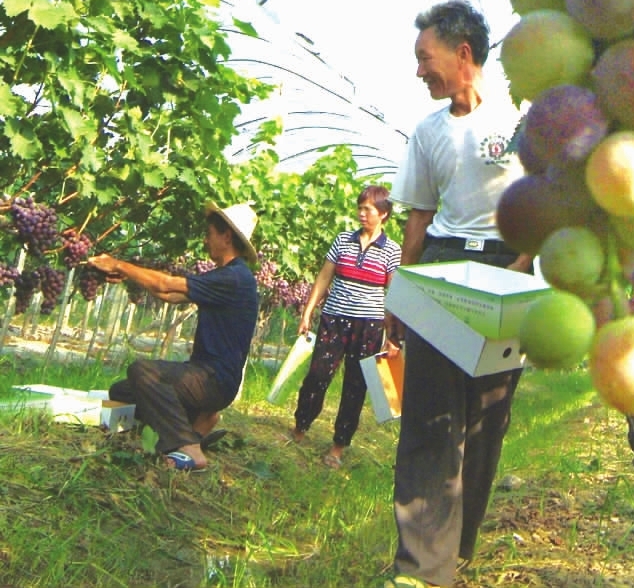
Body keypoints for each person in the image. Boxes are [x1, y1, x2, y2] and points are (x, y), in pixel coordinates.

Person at [386, 0, 525, 588]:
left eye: (426, 57)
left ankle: (457, 549)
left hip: (508, 271)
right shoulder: (427, 130)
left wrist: (525, 264)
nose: (420, 71)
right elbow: (418, 218)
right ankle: (422, 567)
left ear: (462, 54)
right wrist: (400, 292)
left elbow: (551, 198)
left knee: (485, 418)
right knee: (428, 416)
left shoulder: (523, 116)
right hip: (443, 270)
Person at [90, 202, 260, 472]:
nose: (206, 240)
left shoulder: (234, 278)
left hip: (214, 380)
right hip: (206, 377)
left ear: (226, 236)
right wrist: (123, 276)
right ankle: (198, 422)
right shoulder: (228, 276)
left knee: (143, 371)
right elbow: (169, 295)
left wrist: (119, 264)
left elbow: (167, 284)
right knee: (121, 391)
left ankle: (190, 448)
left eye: (210, 234)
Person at [289, 184, 402, 468]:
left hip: (369, 325)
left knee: (355, 385)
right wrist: (308, 311)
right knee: (317, 375)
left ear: (384, 215)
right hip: (334, 319)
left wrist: (393, 337)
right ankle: (300, 429)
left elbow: (394, 295)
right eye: (360, 208)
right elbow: (324, 278)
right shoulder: (342, 241)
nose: (362, 214)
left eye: (369, 209)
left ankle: (338, 446)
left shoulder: (391, 251)